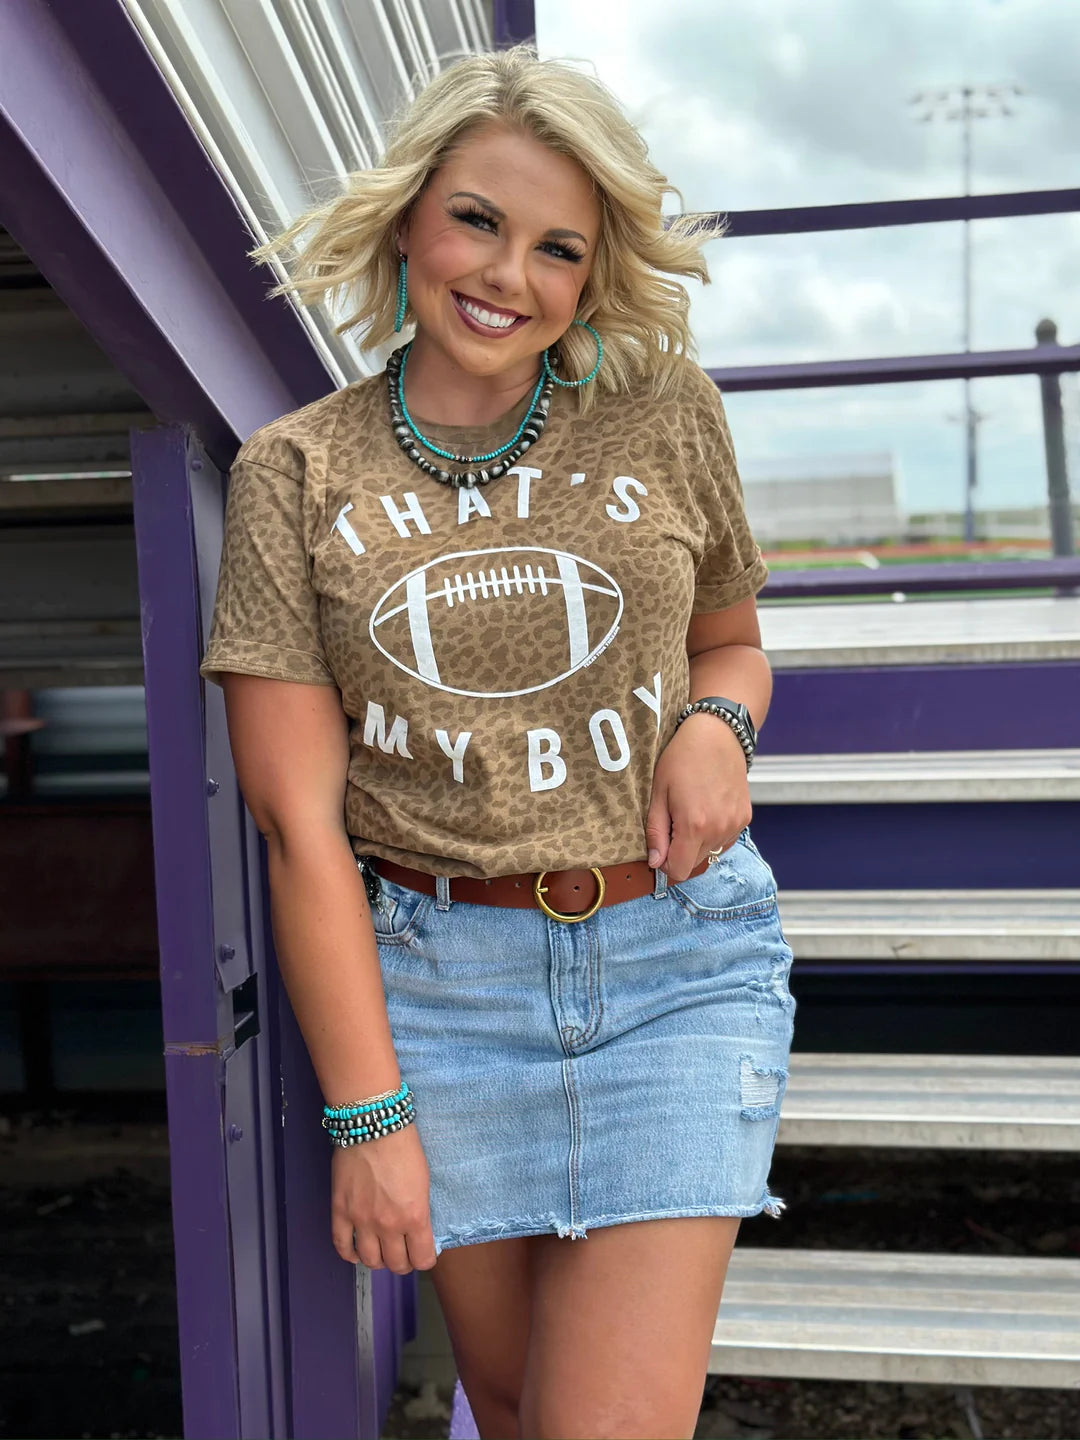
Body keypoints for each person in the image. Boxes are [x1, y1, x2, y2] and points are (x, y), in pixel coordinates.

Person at [200, 43, 795, 1440]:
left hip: (677, 972)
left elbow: (732, 643)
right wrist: (368, 1117)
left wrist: (718, 725)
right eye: (478, 218)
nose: (506, 273)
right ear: (413, 214)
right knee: (519, 1408)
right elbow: (301, 827)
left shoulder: (662, 411)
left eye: (557, 248)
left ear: (592, 275)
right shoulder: (295, 472)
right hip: (440, 990)